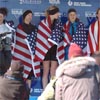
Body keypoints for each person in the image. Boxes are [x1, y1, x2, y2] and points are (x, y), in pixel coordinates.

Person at [34, 5, 64, 89]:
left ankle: (52, 92)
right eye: (57, 12)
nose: (58, 14)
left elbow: (61, 37)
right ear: (53, 13)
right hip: (45, 50)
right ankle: (44, 92)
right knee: (45, 71)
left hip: (55, 49)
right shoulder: (43, 23)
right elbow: (40, 38)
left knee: (53, 72)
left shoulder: (58, 23)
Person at [12, 10, 40, 90]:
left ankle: (27, 94)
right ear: (24, 16)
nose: (30, 17)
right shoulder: (19, 28)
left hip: (30, 57)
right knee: (18, 76)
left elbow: (36, 43)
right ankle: (17, 93)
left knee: (28, 78)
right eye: (28, 15)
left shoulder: (34, 29)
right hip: (19, 57)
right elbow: (16, 42)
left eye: (31, 16)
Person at [0, 7, 15, 75]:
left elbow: (9, 43)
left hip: (5, 52)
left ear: (4, 17)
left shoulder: (8, 27)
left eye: (1, 16)